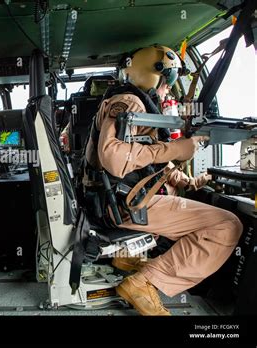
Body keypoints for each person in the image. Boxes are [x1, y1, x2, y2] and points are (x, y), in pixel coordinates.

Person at [84, 45, 243, 315]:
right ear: (152, 74)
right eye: (169, 80)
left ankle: (128, 259)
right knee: (227, 225)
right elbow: (114, 157)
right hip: (127, 204)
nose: (169, 88)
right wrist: (177, 149)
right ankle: (145, 281)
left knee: (184, 201)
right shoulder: (129, 102)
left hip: (124, 199)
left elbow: (151, 159)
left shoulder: (138, 104)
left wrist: (188, 181)